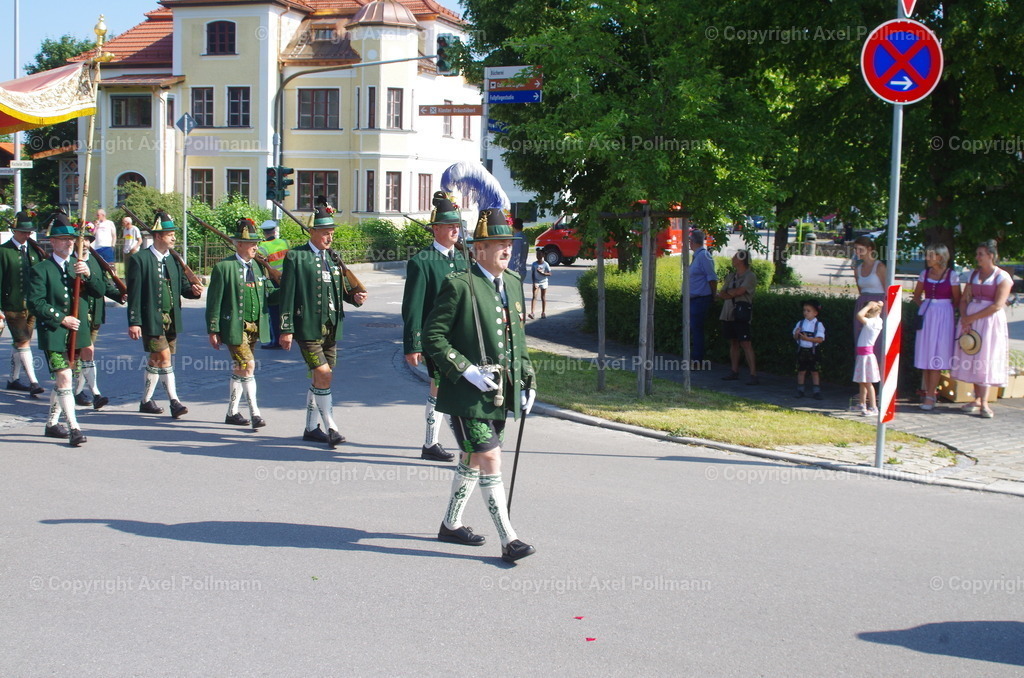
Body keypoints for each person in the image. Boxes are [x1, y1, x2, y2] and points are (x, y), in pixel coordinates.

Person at [424, 205, 537, 564]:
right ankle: (509, 538)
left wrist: (528, 380)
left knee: (473, 459)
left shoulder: (515, 284)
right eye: (498, 243)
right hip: (465, 395)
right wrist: (467, 370)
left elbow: (517, 339)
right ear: (478, 250)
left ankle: (451, 523)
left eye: (509, 242)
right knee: (489, 456)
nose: (506, 249)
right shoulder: (459, 285)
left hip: (500, 394)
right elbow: (433, 337)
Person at [279, 202, 369, 448]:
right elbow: (286, 295)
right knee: (323, 375)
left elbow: (338, 291)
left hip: (331, 328)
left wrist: (354, 298)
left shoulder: (332, 258)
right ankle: (331, 427)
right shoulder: (297, 257)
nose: (330, 236)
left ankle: (310, 428)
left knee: (321, 380)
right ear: (313, 232)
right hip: (307, 328)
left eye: (332, 232)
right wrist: (286, 329)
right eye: (325, 232)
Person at [26, 213, 106, 446]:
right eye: (63, 239)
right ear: (52, 242)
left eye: (71, 240)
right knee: (63, 378)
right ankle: (74, 428)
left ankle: (51, 424)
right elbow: (36, 303)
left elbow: (99, 291)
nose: (69, 243)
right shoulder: (41, 269)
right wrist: (62, 319)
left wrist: (88, 275)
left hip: (77, 333)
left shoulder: (79, 266)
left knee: (66, 381)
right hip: (54, 332)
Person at [401, 191, 461, 463]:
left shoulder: (462, 260)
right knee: (439, 387)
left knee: (455, 389)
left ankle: (455, 441)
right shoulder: (421, 262)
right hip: (436, 340)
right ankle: (431, 443)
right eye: (449, 226)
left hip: (461, 338)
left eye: (457, 226)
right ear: (435, 229)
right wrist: (413, 344)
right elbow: (412, 307)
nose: (455, 231)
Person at [126, 210, 203, 418]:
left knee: (156, 359)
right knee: (165, 358)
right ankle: (174, 401)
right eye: (170, 234)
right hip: (151, 319)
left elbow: (183, 288)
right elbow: (134, 295)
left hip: (171, 319)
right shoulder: (140, 260)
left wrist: (194, 292)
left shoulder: (174, 261)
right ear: (159, 236)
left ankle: (145, 401)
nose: (174, 237)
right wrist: (134, 321)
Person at [206, 218, 272, 429]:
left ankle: (232, 412)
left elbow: (268, 294)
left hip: (254, 326)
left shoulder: (260, 268)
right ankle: (255, 413)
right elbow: (214, 301)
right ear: (239, 245)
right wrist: (213, 329)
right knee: (248, 365)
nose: (255, 247)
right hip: (234, 327)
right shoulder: (224, 267)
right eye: (252, 243)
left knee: (240, 368)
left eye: (256, 243)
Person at [952, 240, 1012, 419]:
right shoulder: (973, 275)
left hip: (989, 321)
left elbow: (997, 305)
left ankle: (984, 402)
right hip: (971, 319)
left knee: (986, 356)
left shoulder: (1002, 277)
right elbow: (964, 299)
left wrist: (971, 318)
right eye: (977, 254)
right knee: (972, 353)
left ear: (991, 256)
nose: (977, 257)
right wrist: (964, 317)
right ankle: (976, 398)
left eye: (981, 254)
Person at [73, 221, 127, 409]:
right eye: (82, 240)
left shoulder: (96, 261)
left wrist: (120, 295)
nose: (85, 244)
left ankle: (79, 391)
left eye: (88, 240)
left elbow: (104, 286)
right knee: (81, 354)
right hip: (76, 315)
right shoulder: (70, 263)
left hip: (94, 314)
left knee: (87, 354)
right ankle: (92, 392)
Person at [0, 210, 45, 395]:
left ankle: (13, 379)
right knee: (23, 341)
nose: (26, 235)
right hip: (12, 305)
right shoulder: (3, 251)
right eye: (22, 232)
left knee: (20, 342)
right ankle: (34, 382)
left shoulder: (34, 251)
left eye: (28, 232)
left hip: (31, 305)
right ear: (14, 231)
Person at [912, 243, 961, 411]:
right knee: (926, 354)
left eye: (930, 255)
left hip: (944, 315)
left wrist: (943, 311)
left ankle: (931, 395)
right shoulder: (924, 274)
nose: (927, 258)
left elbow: (957, 299)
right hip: (928, 315)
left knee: (937, 355)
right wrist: (926, 308)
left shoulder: (951, 275)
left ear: (940, 257)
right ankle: (928, 393)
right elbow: (917, 296)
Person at [718, 250, 758, 385]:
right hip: (729, 313)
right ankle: (734, 371)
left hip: (742, 314)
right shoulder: (730, 276)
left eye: (735, 256)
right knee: (733, 342)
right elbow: (722, 293)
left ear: (741, 259)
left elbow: (741, 291)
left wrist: (729, 293)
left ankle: (753, 374)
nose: (732, 258)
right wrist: (732, 293)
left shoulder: (750, 276)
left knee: (746, 343)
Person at [852, 235, 887, 366]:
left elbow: (887, 290)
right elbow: (860, 290)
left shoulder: (880, 267)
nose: (857, 252)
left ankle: (877, 373)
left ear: (869, 249)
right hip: (863, 305)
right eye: (855, 249)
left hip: (878, 306)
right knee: (861, 339)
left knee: (876, 341)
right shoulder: (858, 269)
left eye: (860, 249)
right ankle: (863, 372)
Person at [687, 229, 718, 361]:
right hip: (693, 299)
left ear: (692, 242)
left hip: (700, 299)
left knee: (697, 329)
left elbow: (712, 278)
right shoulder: (697, 256)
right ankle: (694, 356)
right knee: (693, 329)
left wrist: (713, 295)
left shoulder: (704, 256)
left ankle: (697, 359)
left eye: (689, 241)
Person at [256, 219, 288, 349]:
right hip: (287, 280)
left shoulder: (263, 248)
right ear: (274, 231)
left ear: (264, 233)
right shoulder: (284, 242)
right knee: (285, 311)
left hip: (274, 283)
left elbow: (259, 263)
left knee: (274, 313)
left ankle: (276, 340)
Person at [852, 300, 883, 417]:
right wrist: (878, 305)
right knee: (862, 381)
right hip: (863, 355)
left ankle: (874, 407)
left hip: (866, 356)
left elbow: (859, 315)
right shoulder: (877, 321)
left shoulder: (872, 323)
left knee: (867, 382)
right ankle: (862, 403)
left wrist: (870, 305)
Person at [793, 299, 825, 399]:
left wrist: (807, 338)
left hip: (813, 351)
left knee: (814, 371)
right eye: (804, 310)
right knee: (801, 370)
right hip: (802, 350)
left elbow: (820, 339)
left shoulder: (818, 325)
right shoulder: (800, 323)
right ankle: (800, 390)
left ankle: (816, 391)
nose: (805, 313)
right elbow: (794, 337)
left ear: (815, 313)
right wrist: (797, 334)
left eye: (808, 311)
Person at [528, 247, 550, 319]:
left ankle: (543, 312)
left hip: (544, 282)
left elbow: (550, 273)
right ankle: (532, 313)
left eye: (540, 254)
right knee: (534, 296)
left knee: (543, 297)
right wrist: (534, 282)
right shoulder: (534, 264)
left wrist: (543, 273)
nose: (538, 256)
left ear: (543, 255)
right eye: (537, 254)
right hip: (536, 281)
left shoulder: (546, 264)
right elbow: (532, 274)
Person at [508, 217, 527, 282]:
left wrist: (512, 271)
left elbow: (516, 256)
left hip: (516, 270)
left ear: (513, 227)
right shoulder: (524, 237)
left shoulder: (517, 238)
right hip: (522, 269)